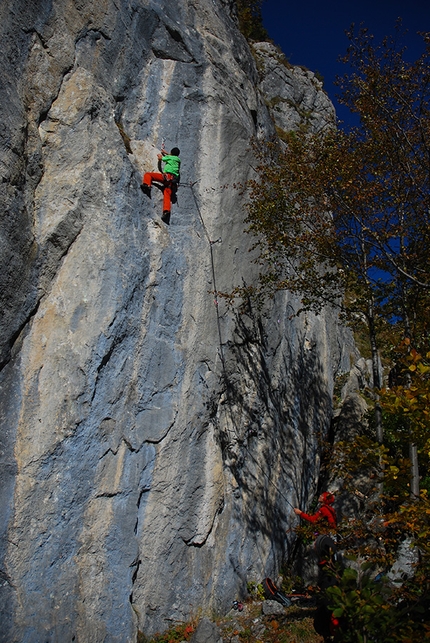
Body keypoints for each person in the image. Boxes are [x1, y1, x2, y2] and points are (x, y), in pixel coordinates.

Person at [142, 147, 181, 225]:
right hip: (172, 183)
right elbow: (171, 156)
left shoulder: (169, 157)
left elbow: (161, 158)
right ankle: (166, 211)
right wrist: (166, 153)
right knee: (167, 195)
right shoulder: (178, 160)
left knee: (148, 175)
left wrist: (160, 156)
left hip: (165, 177)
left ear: (171, 152)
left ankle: (147, 185)